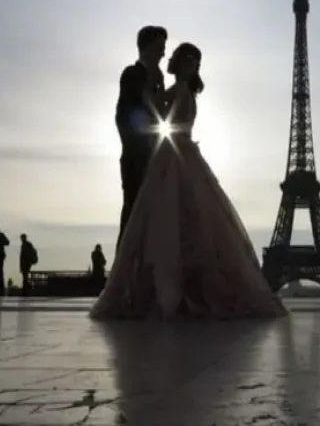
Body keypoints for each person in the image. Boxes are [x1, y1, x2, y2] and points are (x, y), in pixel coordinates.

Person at [90, 42, 286, 320]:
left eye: (186, 59)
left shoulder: (180, 89)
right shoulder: (188, 92)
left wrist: (151, 89)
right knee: (191, 219)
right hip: (185, 152)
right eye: (185, 59)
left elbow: (158, 113)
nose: (181, 62)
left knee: (166, 219)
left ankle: (168, 289)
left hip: (173, 153)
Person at [115, 25, 167, 250]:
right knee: (133, 215)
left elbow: (162, 116)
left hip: (154, 158)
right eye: (159, 47)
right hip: (136, 159)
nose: (163, 53)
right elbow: (123, 117)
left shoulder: (157, 79)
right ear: (145, 48)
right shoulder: (131, 74)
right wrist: (140, 145)